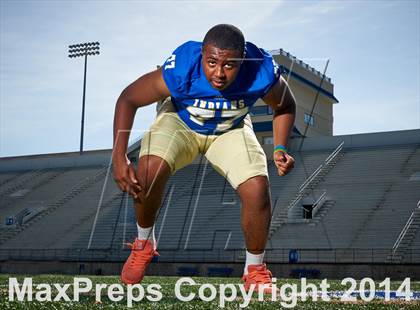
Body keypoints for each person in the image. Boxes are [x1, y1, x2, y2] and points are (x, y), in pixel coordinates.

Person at [112, 24, 296, 293]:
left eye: (229, 65)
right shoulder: (184, 66)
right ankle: (144, 243)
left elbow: (285, 105)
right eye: (211, 62)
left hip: (230, 128)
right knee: (149, 170)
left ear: (243, 60)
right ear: (201, 55)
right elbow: (128, 98)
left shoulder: (261, 70)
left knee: (257, 187)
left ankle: (254, 270)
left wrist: (279, 147)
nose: (219, 73)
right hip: (180, 121)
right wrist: (118, 156)